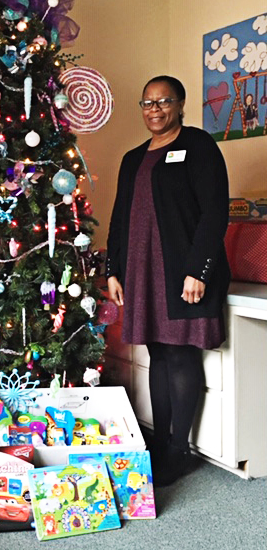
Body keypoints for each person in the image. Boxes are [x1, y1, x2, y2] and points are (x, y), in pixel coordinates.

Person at [106, 75, 231, 487]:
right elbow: (120, 218)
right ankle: (161, 442)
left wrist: (200, 269)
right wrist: (113, 269)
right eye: (147, 102)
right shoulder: (132, 157)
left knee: (180, 355)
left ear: (180, 105)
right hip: (143, 272)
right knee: (157, 354)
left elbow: (215, 211)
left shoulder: (198, 146)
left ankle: (180, 449)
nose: (154, 109)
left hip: (183, 273)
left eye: (164, 101)